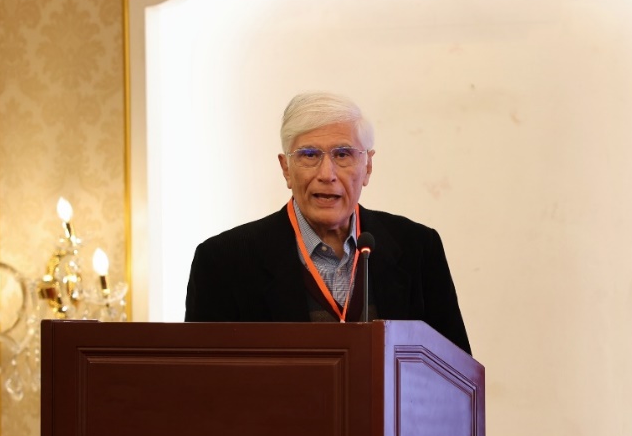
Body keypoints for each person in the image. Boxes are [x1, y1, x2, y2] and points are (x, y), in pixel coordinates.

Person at [184, 91, 471, 354]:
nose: (327, 174)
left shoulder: (417, 248)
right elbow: (203, 382)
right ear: (286, 169)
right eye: (309, 155)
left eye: (343, 154)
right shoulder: (224, 261)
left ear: (368, 166)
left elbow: (457, 375)